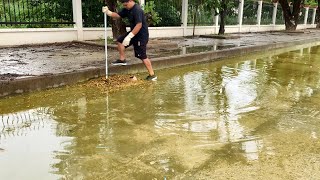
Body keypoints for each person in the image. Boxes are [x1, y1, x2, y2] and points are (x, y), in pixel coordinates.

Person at [102, 0, 157, 81]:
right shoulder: (127, 9)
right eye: (124, 5)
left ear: (131, 1)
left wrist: (129, 37)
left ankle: (152, 75)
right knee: (120, 41)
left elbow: (139, 25)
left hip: (141, 36)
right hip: (133, 33)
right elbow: (117, 15)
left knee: (142, 56)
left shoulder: (137, 10)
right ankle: (122, 59)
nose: (125, 6)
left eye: (126, 5)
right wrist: (108, 12)